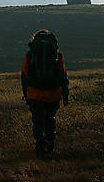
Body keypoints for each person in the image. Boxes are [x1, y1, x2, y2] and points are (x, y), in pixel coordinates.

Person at [21, 29, 69, 158]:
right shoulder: (57, 54)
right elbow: (63, 75)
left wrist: (26, 94)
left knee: (37, 121)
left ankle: (40, 144)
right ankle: (50, 143)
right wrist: (65, 94)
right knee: (50, 119)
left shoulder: (30, 54)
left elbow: (24, 75)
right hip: (53, 94)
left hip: (34, 94)